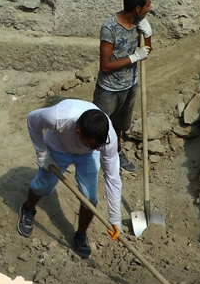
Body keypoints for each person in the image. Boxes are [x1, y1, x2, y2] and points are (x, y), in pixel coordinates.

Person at [17, 99, 122, 259]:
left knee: (89, 199)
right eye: (94, 145)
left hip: (87, 154)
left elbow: (112, 177)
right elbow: (32, 119)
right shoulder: (58, 117)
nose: (100, 148)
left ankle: (80, 235)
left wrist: (115, 218)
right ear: (79, 133)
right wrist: (43, 154)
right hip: (58, 147)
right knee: (44, 186)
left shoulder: (107, 139)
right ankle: (28, 209)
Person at [92, 0, 154, 175]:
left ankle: (116, 152)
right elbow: (105, 65)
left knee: (119, 124)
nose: (150, 8)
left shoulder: (139, 23)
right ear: (137, 7)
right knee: (99, 124)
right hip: (109, 89)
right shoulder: (110, 28)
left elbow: (146, 51)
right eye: (147, 4)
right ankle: (93, 157)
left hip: (130, 85)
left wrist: (148, 35)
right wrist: (133, 58)